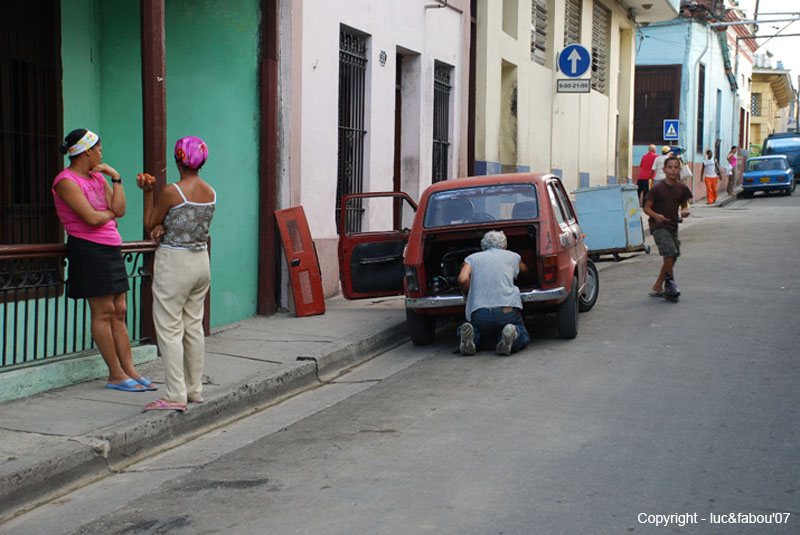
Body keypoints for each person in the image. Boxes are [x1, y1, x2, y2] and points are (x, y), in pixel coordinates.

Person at [52, 129, 154, 392]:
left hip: (111, 247)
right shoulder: (66, 181)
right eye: (98, 148)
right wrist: (107, 213)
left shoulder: (98, 178)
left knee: (119, 311)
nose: (100, 153)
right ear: (86, 151)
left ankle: (130, 370)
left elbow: (119, 209)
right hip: (88, 249)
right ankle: (115, 374)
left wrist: (116, 179)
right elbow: (91, 218)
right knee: (103, 311)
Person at [138, 137, 216, 412]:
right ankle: (194, 390)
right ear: (202, 161)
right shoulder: (210, 192)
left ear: (177, 160)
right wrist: (164, 227)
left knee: (169, 328)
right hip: (200, 261)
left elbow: (151, 222)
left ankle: (175, 395)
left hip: (175, 262)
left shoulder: (173, 191)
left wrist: (148, 193)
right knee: (193, 326)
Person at [456, 230, 530, 356]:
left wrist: (468, 293)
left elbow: (462, 278)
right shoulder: (513, 256)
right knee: (523, 334)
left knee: (478, 331)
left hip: (480, 312)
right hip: (507, 310)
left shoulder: (472, 258)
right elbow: (525, 271)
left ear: (483, 245)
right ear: (504, 245)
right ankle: (512, 334)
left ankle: (471, 336)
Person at [643, 156, 693, 300]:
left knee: (673, 255)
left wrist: (685, 211)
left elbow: (684, 205)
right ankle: (670, 283)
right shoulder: (657, 188)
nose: (673, 170)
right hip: (658, 226)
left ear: (679, 170)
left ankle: (658, 285)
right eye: (670, 167)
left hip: (673, 225)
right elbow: (646, 208)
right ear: (664, 170)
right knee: (670, 251)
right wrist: (656, 215)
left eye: (676, 167)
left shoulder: (682, 188)